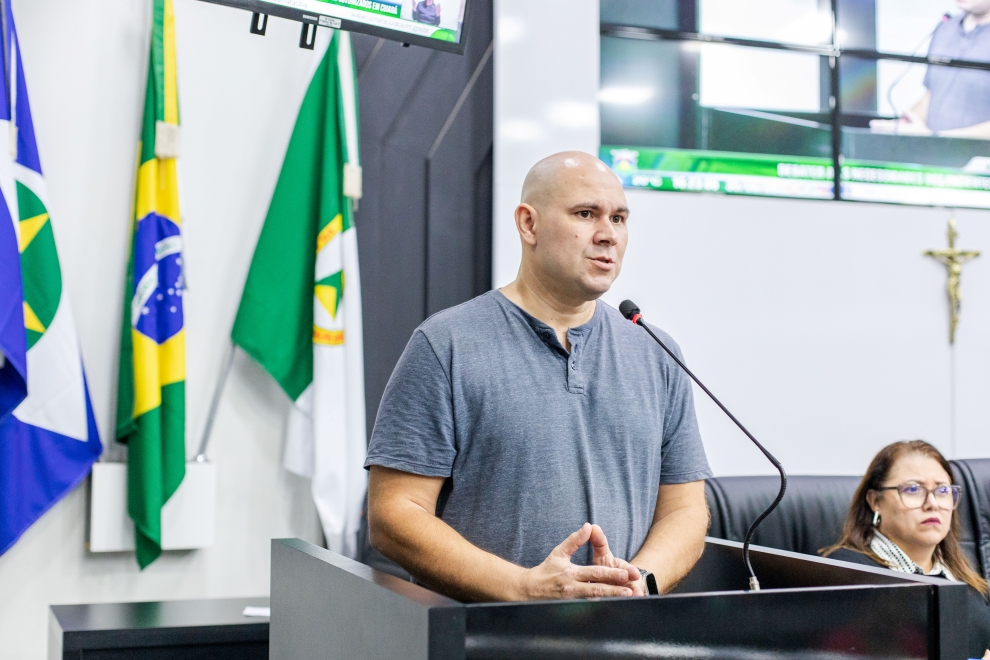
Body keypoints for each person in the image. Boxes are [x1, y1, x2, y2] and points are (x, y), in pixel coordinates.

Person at [365, 151, 712, 602]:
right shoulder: (446, 344)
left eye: (620, 218)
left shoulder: (656, 352)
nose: (608, 235)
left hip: (622, 638)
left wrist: (639, 584)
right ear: (528, 224)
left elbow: (684, 510)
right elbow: (394, 515)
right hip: (486, 641)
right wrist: (524, 588)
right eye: (586, 214)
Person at [822, 440, 990, 659]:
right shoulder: (848, 575)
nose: (932, 503)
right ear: (875, 501)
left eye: (942, 490)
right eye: (913, 489)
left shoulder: (971, 586)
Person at [871, 0, 990, 140]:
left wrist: (935, 137)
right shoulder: (945, 27)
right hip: (932, 155)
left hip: (978, 158)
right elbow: (930, 98)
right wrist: (901, 126)